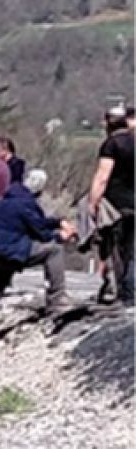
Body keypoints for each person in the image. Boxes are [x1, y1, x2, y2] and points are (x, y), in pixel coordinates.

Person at [0, 160, 78, 352]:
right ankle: (56, 300)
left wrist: (57, 222)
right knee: (54, 249)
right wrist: (60, 235)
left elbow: (37, 221)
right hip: (10, 253)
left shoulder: (5, 202)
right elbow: (40, 231)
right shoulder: (26, 204)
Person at [87, 105, 134, 306]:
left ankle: (119, 291)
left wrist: (93, 201)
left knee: (115, 248)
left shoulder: (111, 145)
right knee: (132, 250)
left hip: (116, 203)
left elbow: (102, 176)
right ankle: (131, 293)